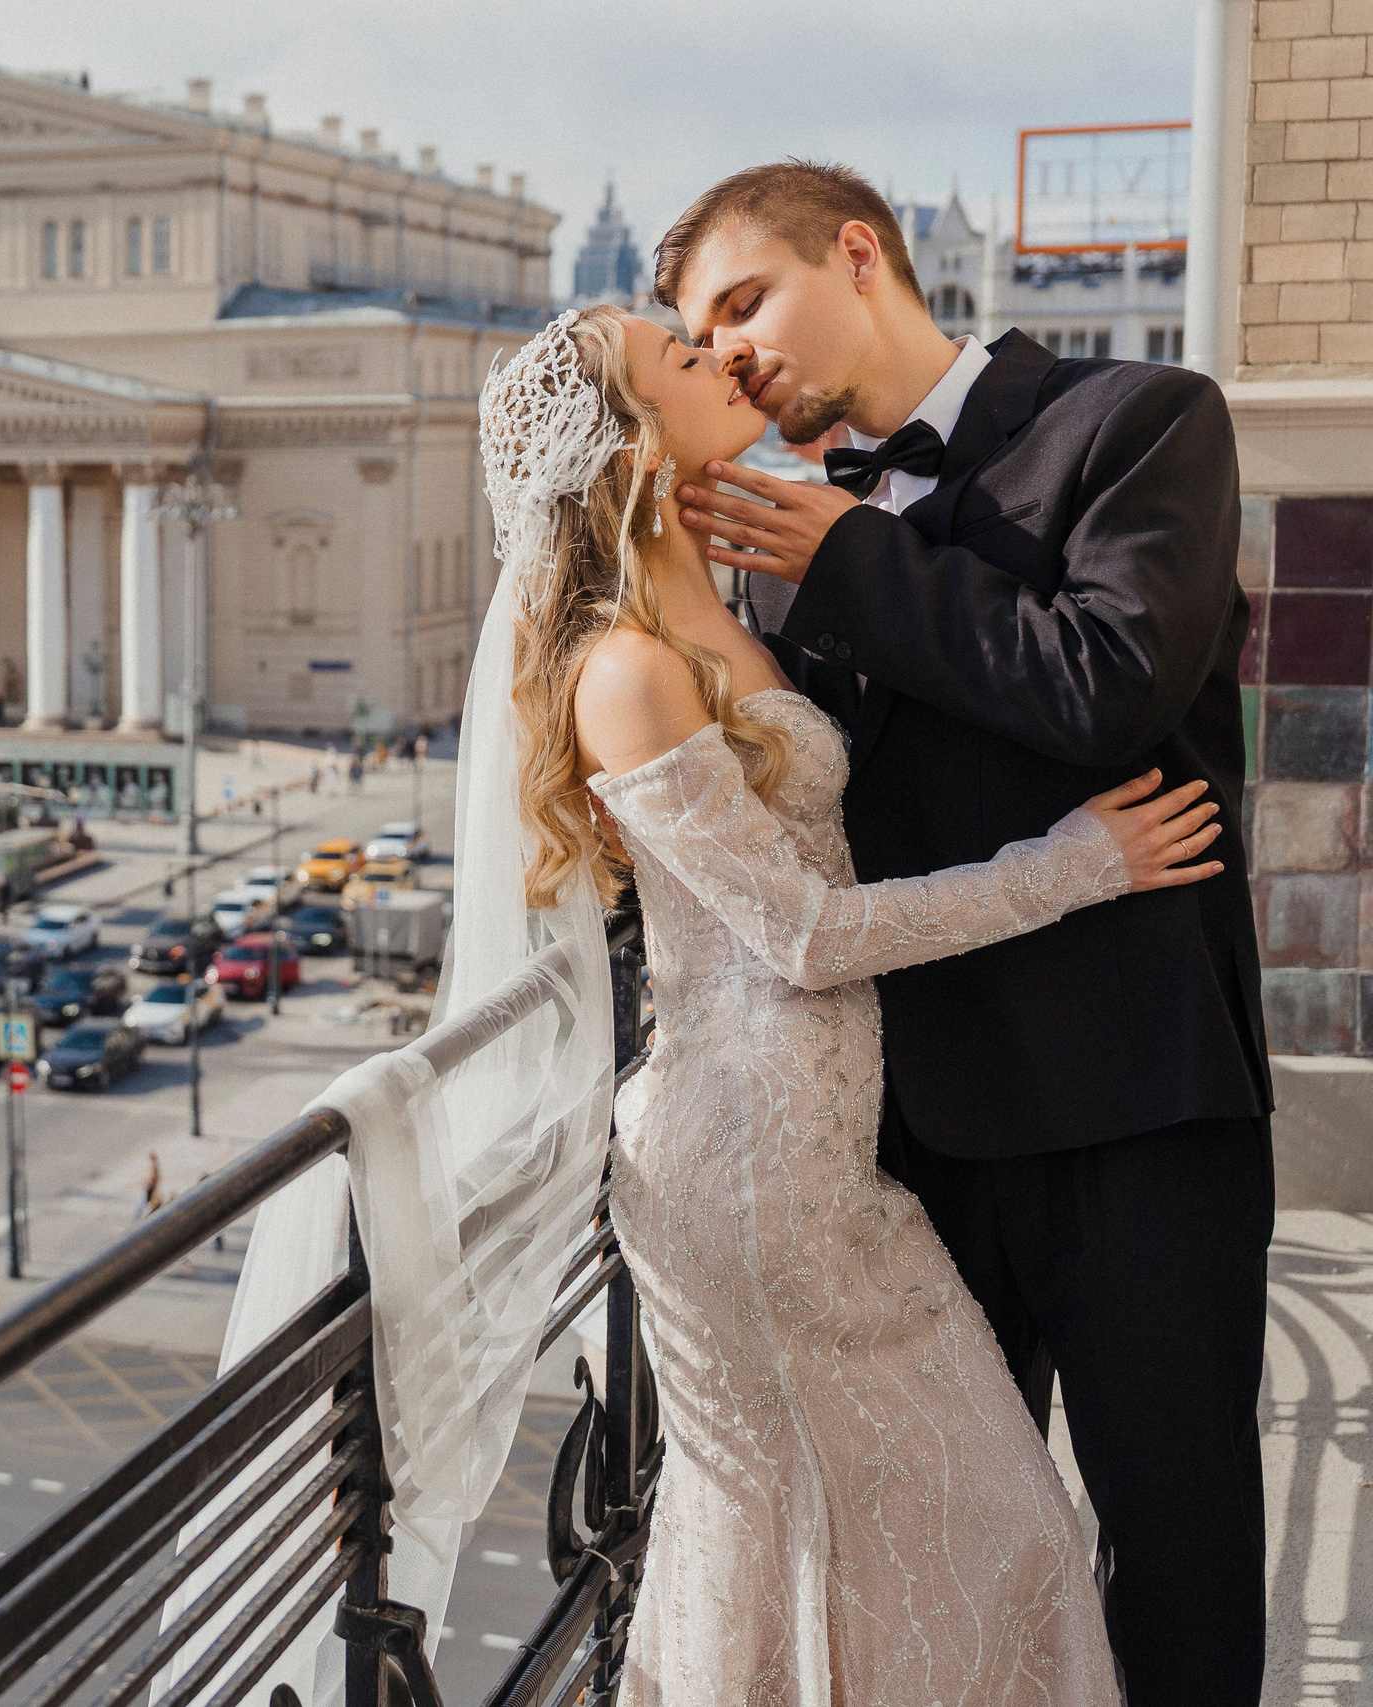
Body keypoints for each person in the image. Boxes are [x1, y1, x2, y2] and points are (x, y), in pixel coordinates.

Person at [200, 302, 1229, 1707]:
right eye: (683, 351)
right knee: (948, 1530)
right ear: (630, 444)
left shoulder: (741, 601)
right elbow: (800, 932)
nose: (719, 353)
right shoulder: (625, 666)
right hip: (745, 1166)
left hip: (822, 1150)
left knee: (922, 1538)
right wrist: (1069, 867)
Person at [658, 164, 1269, 1705]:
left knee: (1174, 1568)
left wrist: (843, 557)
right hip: (896, 1146)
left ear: (857, 254)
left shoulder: (1142, 419)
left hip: (1136, 1109)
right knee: (942, 1571)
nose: (729, 353)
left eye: (744, 302)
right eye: (697, 336)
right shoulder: (777, 533)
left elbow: (1105, 683)